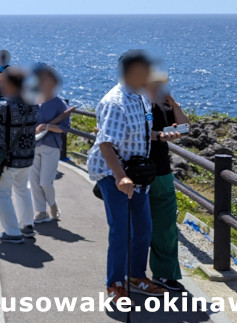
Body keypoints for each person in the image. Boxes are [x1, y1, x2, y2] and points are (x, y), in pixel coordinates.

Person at [87, 50, 168, 300]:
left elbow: (137, 132)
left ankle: (135, 277)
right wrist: (121, 176)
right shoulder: (115, 101)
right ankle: (115, 284)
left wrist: (160, 135)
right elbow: (106, 143)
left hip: (137, 175)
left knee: (143, 229)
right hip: (114, 175)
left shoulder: (141, 98)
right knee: (121, 230)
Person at [0, 67, 38, 244]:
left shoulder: (4, 106)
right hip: (27, 157)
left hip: (7, 159)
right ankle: (27, 225)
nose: (1, 86)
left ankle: (12, 232)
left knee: (3, 193)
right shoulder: (33, 103)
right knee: (23, 190)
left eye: (4, 83)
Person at [146, 69, 190, 293]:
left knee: (165, 226)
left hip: (162, 171)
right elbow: (133, 132)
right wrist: (159, 135)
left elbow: (185, 129)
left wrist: (175, 105)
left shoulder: (163, 105)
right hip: (138, 170)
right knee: (137, 226)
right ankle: (132, 274)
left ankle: (164, 274)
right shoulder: (137, 104)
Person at [30, 64, 73, 224]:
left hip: (51, 146)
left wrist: (47, 126)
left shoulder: (59, 104)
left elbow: (64, 128)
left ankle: (52, 205)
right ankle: (41, 212)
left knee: (45, 182)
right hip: (33, 145)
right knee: (33, 181)